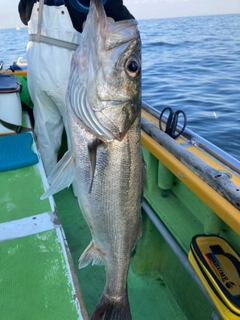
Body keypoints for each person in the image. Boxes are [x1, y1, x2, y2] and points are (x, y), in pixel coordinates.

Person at [18, 0, 134, 176]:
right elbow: (124, 20)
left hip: (37, 69)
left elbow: (23, 17)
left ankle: (49, 183)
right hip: (69, 72)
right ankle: (81, 192)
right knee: (79, 139)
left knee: (46, 133)